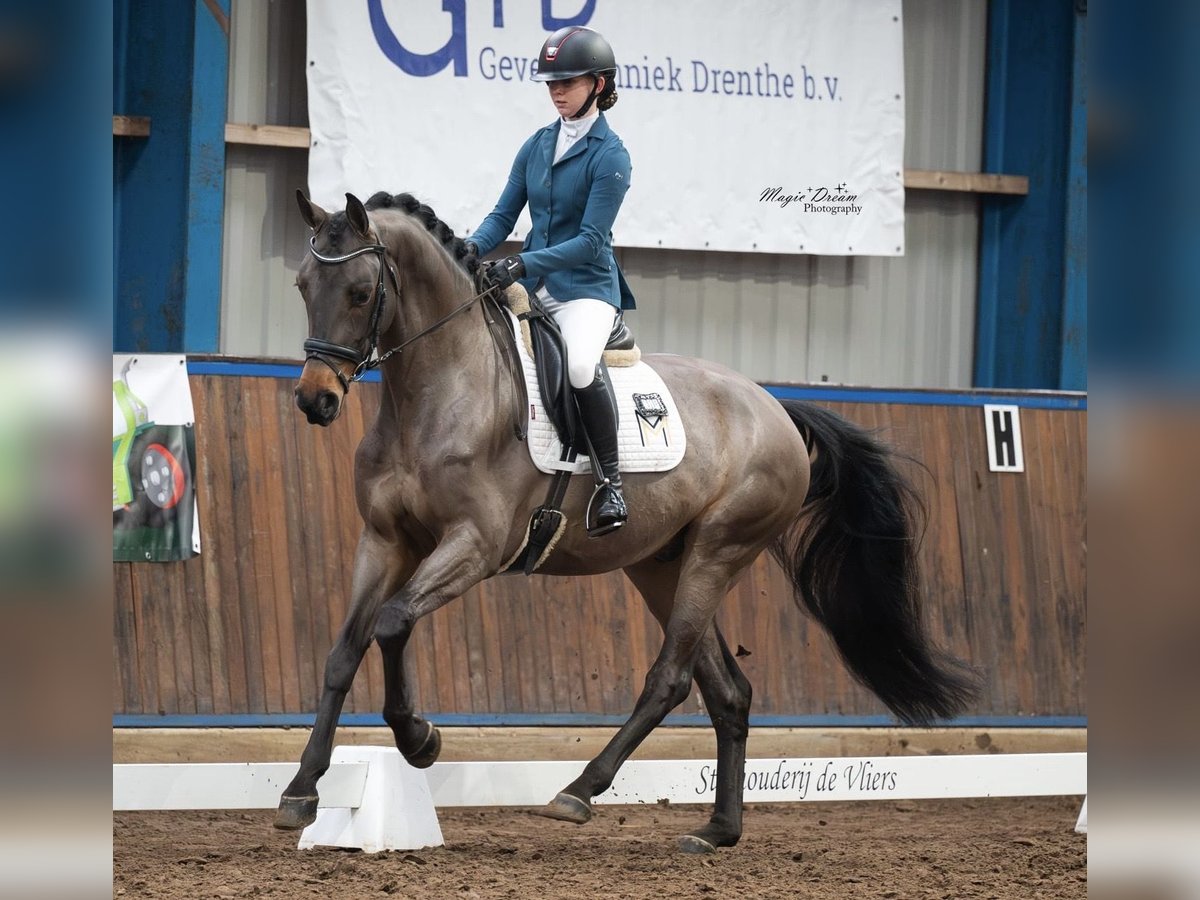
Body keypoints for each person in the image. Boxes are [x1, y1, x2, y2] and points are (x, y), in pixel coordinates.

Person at [468, 26, 636, 537]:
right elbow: (503, 216)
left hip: (585, 289)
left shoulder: (612, 157)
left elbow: (590, 241)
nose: (557, 91)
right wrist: (467, 252)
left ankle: (611, 483)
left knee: (581, 366)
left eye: (568, 81)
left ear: (599, 83)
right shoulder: (537, 145)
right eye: (551, 83)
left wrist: (522, 265)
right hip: (536, 280)